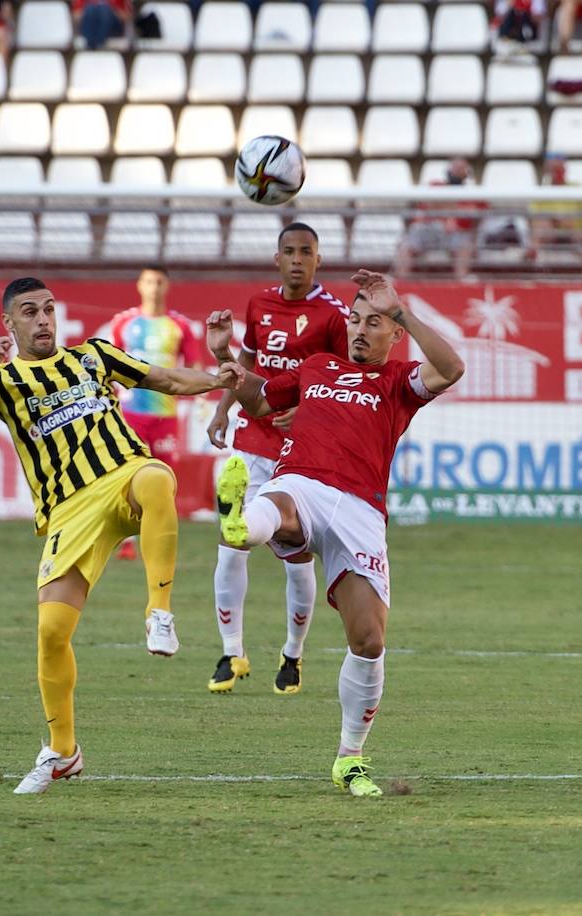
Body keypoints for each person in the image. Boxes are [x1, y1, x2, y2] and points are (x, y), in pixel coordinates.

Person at [0, 278, 242, 795]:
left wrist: (216, 378)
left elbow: (165, 380)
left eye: (48, 309)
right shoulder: (1, 383)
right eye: (30, 312)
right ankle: (62, 752)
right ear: (9, 324)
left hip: (122, 476)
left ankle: (159, 611)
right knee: (51, 633)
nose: (43, 319)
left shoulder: (93, 355)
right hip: (67, 511)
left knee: (158, 477)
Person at [206, 270, 464, 797]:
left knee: (369, 640)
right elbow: (258, 400)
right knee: (276, 506)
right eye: (355, 321)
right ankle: (241, 524)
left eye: (375, 323)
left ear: (395, 335)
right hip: (301, 480)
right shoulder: (316, 367)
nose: (360, 330)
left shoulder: (398, 384)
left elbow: (452, 368)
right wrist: (223, 354)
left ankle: (350, 759)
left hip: (361, 511)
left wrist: (402, 310)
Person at [204, 223, 351, 696]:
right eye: (289, 251)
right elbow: (249, 365)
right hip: (251, 440)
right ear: (276, 258)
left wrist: (308, 416)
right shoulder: (259, 304)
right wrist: (223, 409)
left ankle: (292, 654)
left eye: (306, 252)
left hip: (298, 453)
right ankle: (231, 652)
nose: (296, 260)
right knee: (231, 543)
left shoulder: (333, 316)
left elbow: (347, 382)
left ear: (318, 260)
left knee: (295, 559)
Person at [109, 266, 203, 561]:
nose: (154, 287)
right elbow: (109, 363)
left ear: (167, 286)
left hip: (165, 415)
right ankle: (127, 541)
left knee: (163, 481)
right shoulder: (123, 322)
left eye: (159, 281)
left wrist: (200, 400)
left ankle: (159, 542)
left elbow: (194, 366)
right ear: (140, 285)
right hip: (131, 413)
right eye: (149, 281)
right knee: (129, 475)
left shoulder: (180, 325)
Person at [393, 159, 481, 282]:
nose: (456, 172)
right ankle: (400, 282)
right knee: (407, 243)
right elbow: (429, 204)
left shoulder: (472, 193)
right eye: (454, 168)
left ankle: (462, 281)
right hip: (430, 229)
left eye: (461, 170)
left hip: (456, 234)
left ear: (467, 173)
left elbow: (473, 212)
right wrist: (455, 207)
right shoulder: (435, 185)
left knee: (465, 244)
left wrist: (444, 205)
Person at [527, 153, 582, 280]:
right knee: (542, 226)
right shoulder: (540, 194)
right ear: (547, 171)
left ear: (565, 169)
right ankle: (536, 283)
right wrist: (555, 221)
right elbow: (535, 221)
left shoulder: (577, 189)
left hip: (575, 237)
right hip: (551, 238)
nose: (557, 173)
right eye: (554, 170)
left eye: (560, 169)